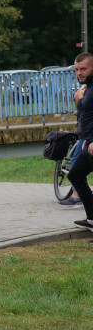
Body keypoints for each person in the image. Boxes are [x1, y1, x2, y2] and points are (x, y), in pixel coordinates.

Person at [67, 53, 93, 227]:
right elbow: (88, 115)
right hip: (89, 142)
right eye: (77, 70)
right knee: (75, 175)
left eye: (83, 69)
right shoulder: (88, 88)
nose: (79, 73)